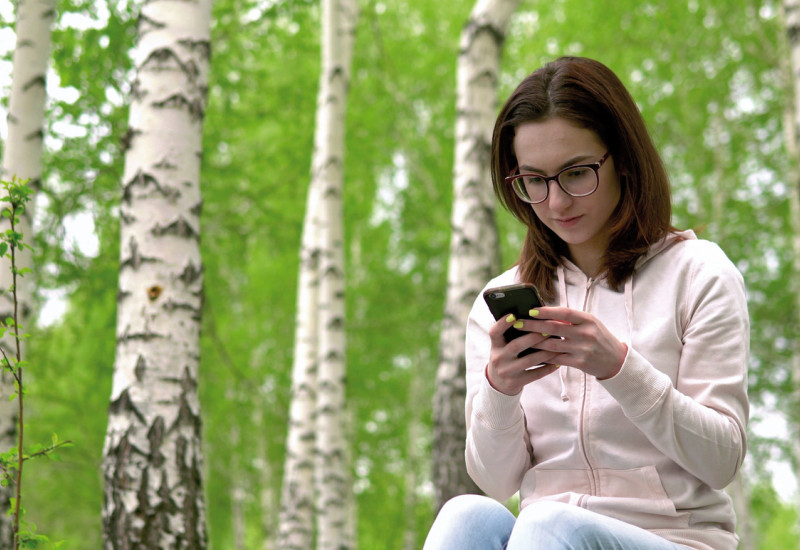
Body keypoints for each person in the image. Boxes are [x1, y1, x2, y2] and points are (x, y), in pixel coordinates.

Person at [423, 56, 749, 550]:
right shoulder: (501, 299)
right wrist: (500, 389)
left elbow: (721, 460)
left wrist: (619, 367)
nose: (556, 203)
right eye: (534, 180)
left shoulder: (699, 272)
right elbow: (495, 481)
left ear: (621, 157)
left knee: (545, 524)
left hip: (676, 541)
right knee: (465, 515)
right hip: (545, 537)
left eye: (576, 173)